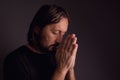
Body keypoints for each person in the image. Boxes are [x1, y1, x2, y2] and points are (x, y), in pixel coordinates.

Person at [3, 4, 78, 80]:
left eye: (62, 34)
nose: (59, 40)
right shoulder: (15, 61)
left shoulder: (58, 57)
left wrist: (70, 68)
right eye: (55, 32)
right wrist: (61, 70)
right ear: (37, 29)